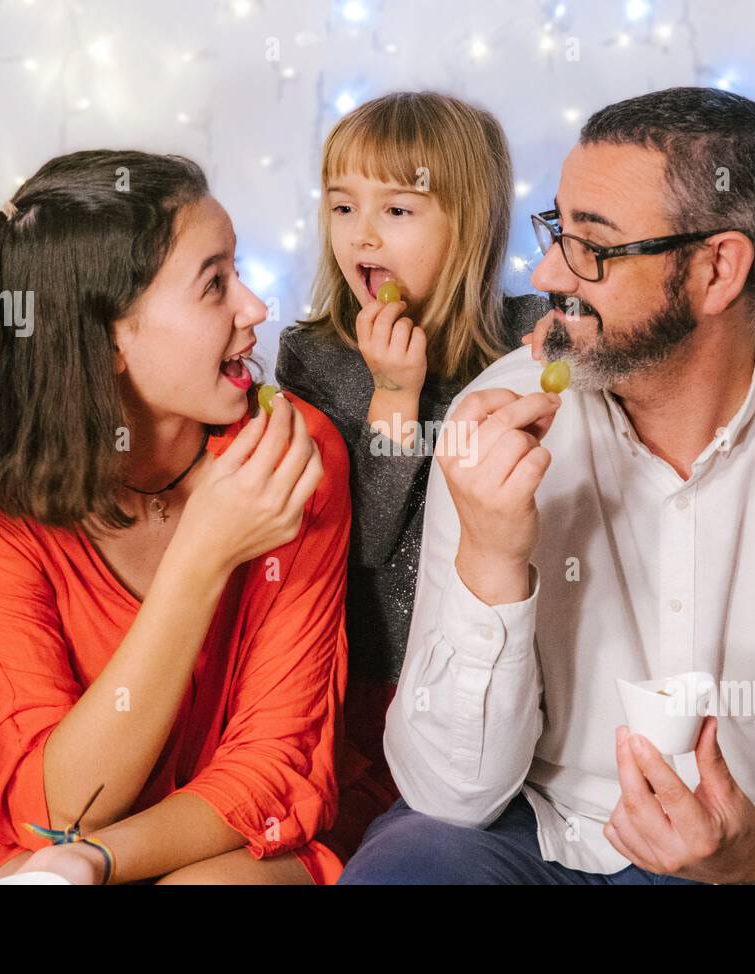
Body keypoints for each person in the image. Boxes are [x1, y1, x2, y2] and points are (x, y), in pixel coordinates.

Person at [339, 87, 755, 885]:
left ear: (718, 269)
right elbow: (451, 791)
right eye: (556, 230)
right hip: (542, 836)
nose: (545, 272)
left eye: (591, 246)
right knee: (406, 869)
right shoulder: (493, 418)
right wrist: (493, 560)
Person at [0, 150, 351, 885]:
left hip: (231, 842)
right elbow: (50, 810)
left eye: (237, 271)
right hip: (45, 844)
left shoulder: (293, 459)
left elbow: (274, 767)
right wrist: (200, 560)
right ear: (108, 341)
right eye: (215, 285)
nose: (255, 307)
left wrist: (94, 861)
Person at [274, 91, 548, 861]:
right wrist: (394, 394)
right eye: (341, 207)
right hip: (370, 681)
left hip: (504, 681)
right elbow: (349, 546)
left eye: (397, 211)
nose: (361, 234)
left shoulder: (533, 342)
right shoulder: (316, 356)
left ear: (470, 223)